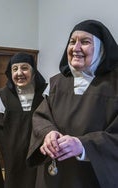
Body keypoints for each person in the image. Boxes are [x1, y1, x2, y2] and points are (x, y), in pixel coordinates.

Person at [27, 19, 118, 188]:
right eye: (72, 42)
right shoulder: (57, 82)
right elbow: (41, 116)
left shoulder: (115, 85)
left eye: (85, 42)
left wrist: (83, 145)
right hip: (54, 176)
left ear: (101, 49)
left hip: (94, 177)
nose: (75, 49)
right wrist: (48, 133)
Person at [0, 52, 47, 188]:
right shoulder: (2, 95)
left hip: (39, 151)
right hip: (13, 153)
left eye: (24, 68)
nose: (19, 73)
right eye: (15, 69)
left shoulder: (45, 93)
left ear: (33, 71)